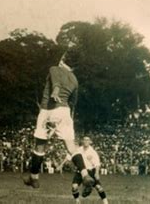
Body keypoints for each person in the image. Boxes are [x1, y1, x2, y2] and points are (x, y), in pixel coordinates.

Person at [23, 52, 94, 189]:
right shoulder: (74, 79)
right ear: (75, 67)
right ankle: (85, 174)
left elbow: (56, 81)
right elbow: (73, 102)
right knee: (71, 147)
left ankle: (34, 178)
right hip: (65, 112)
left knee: (40, 146)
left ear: (62, 59)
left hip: (48, 110)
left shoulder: (54, 69)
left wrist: (55, 91)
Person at [58, 137, 109, 204]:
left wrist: (96, 173)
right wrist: (61, 165)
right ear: (82, 141)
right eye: (84, 140)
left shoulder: (93, 152)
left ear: (90, 142)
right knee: (74, 186)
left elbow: (97, 164)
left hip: (90, 171)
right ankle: (77, 201)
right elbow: (68, 156)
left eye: (87, 140)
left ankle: (106, 202)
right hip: (79, 172)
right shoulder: (78, 150)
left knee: (98, 187)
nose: (86, 141)